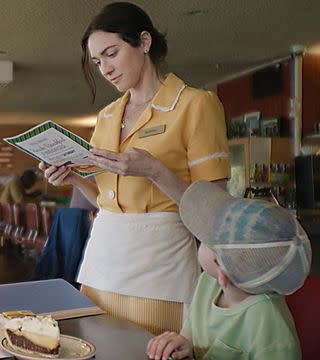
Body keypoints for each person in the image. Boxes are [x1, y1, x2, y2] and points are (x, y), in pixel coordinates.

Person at [39, 2, 229, 334]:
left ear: (144, 42)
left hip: (160, 266)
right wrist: (74, 178)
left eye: (111, 53)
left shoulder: (196, 105)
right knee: (94, 346)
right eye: (98, 62)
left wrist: (156, 171)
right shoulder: (107, 116)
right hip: (102, 262)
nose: (105, 69)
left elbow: (216, 208)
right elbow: (108, 201)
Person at [147, 180, 309, 359]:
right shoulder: (207, 283)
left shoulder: (269, 326)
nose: (201, 237)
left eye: (208, 240)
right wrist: (184, 345)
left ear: (223, 275)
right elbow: (191, 337)